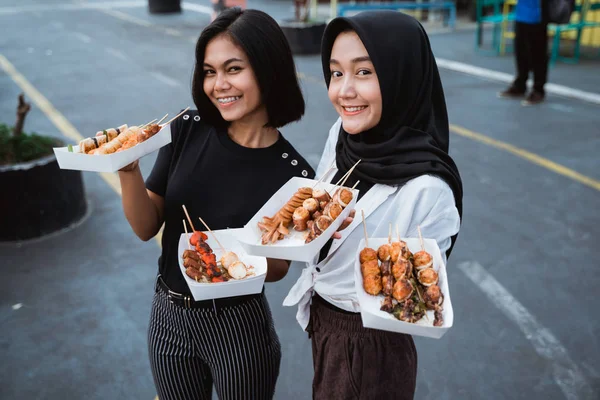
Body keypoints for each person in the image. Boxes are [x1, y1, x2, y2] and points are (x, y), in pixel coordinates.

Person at [118, 9, 314, 400]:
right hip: (168, 314)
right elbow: (145, 227)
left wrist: (225, 249)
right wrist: (127, 172)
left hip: (238, 326)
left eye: (233, 68)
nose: (218, 84)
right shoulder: (186, 128)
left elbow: (276, 270)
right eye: (209, 71)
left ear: (268, 69)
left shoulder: (296, 178)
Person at [283, 11, 463, 399]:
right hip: (323, 321)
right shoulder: (344, 136)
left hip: (372, 346)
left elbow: (415, 290)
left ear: (402, 76)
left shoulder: (429, 187)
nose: (343, 90)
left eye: (364, 72)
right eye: (336, 72)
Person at [499, 0, 549, 105]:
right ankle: (520, 85)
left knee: (538, 53)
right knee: (521, 51)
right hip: (521, 12)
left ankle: (538, 89)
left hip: (538, 12)